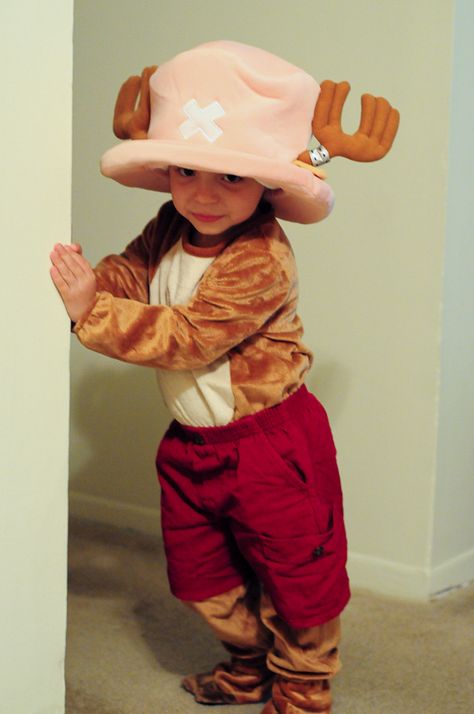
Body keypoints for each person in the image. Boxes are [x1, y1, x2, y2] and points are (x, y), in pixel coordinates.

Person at [50, 41, 399, 713]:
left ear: (266, 184)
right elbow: (133, 271)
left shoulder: (261, 256)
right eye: (186, 170)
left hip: (269, 445)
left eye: (231, 178)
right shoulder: (171, 221)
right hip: (194, 444)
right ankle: (248, 665)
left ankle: (301, 688)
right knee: (202, 572)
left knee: (297, 574)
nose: (204, 194)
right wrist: (99, 284)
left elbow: (187, 337)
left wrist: (90, 313)